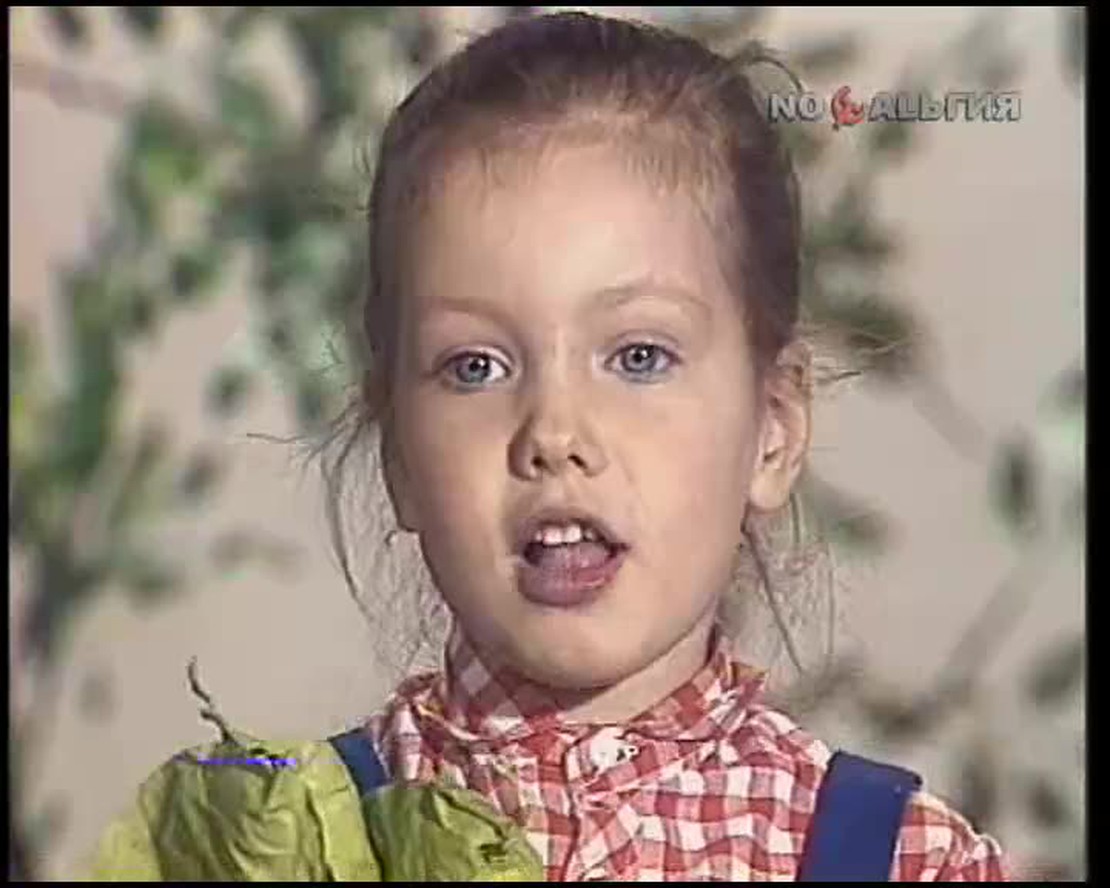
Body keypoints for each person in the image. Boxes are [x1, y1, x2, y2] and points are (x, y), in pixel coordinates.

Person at [90, 10, 1007, 881]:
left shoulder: (904, 859)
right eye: (476, 367)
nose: (555, 434)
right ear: (397, 454)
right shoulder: (280, 846)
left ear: (774, 427)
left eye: (638, 357)